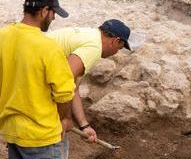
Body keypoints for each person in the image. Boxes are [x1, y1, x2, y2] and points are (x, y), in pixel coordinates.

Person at [0, 0, 76, 159]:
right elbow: (64, 94)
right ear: (44, 11)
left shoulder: (2, 36)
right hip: (41, 138)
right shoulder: (48, 47)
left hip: (12, 134)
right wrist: (64, 119)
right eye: (53, 13)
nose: (53, 18)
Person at [46, 19, 134, 147]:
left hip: (27, 77)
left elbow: (72, 87)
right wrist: (65, 118)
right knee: (54, 133)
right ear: (115, 41)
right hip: (33, 82)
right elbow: (65, 80)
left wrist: (84, 125)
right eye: (118, 49)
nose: (115, 53)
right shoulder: (94, 47)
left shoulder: (88, 36)